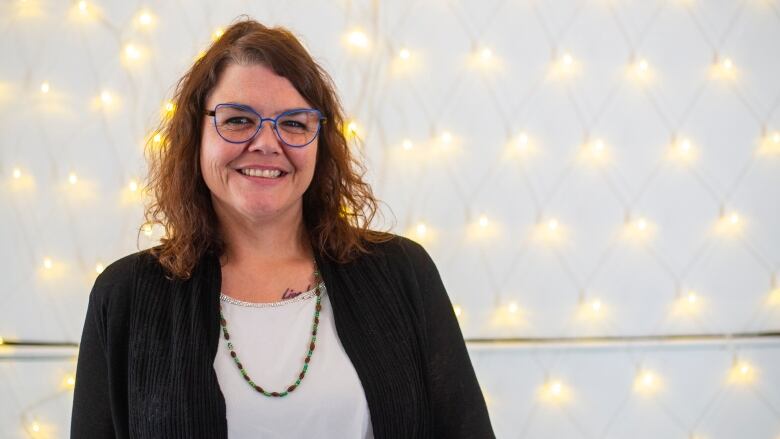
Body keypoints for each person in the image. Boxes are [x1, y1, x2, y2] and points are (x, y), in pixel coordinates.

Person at [70, 17, 494, 439]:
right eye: (237, 120)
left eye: (294, 123)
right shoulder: (125, 295)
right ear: (193, 135)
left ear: (320, 144)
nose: (267, 143)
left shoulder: (403, 272)